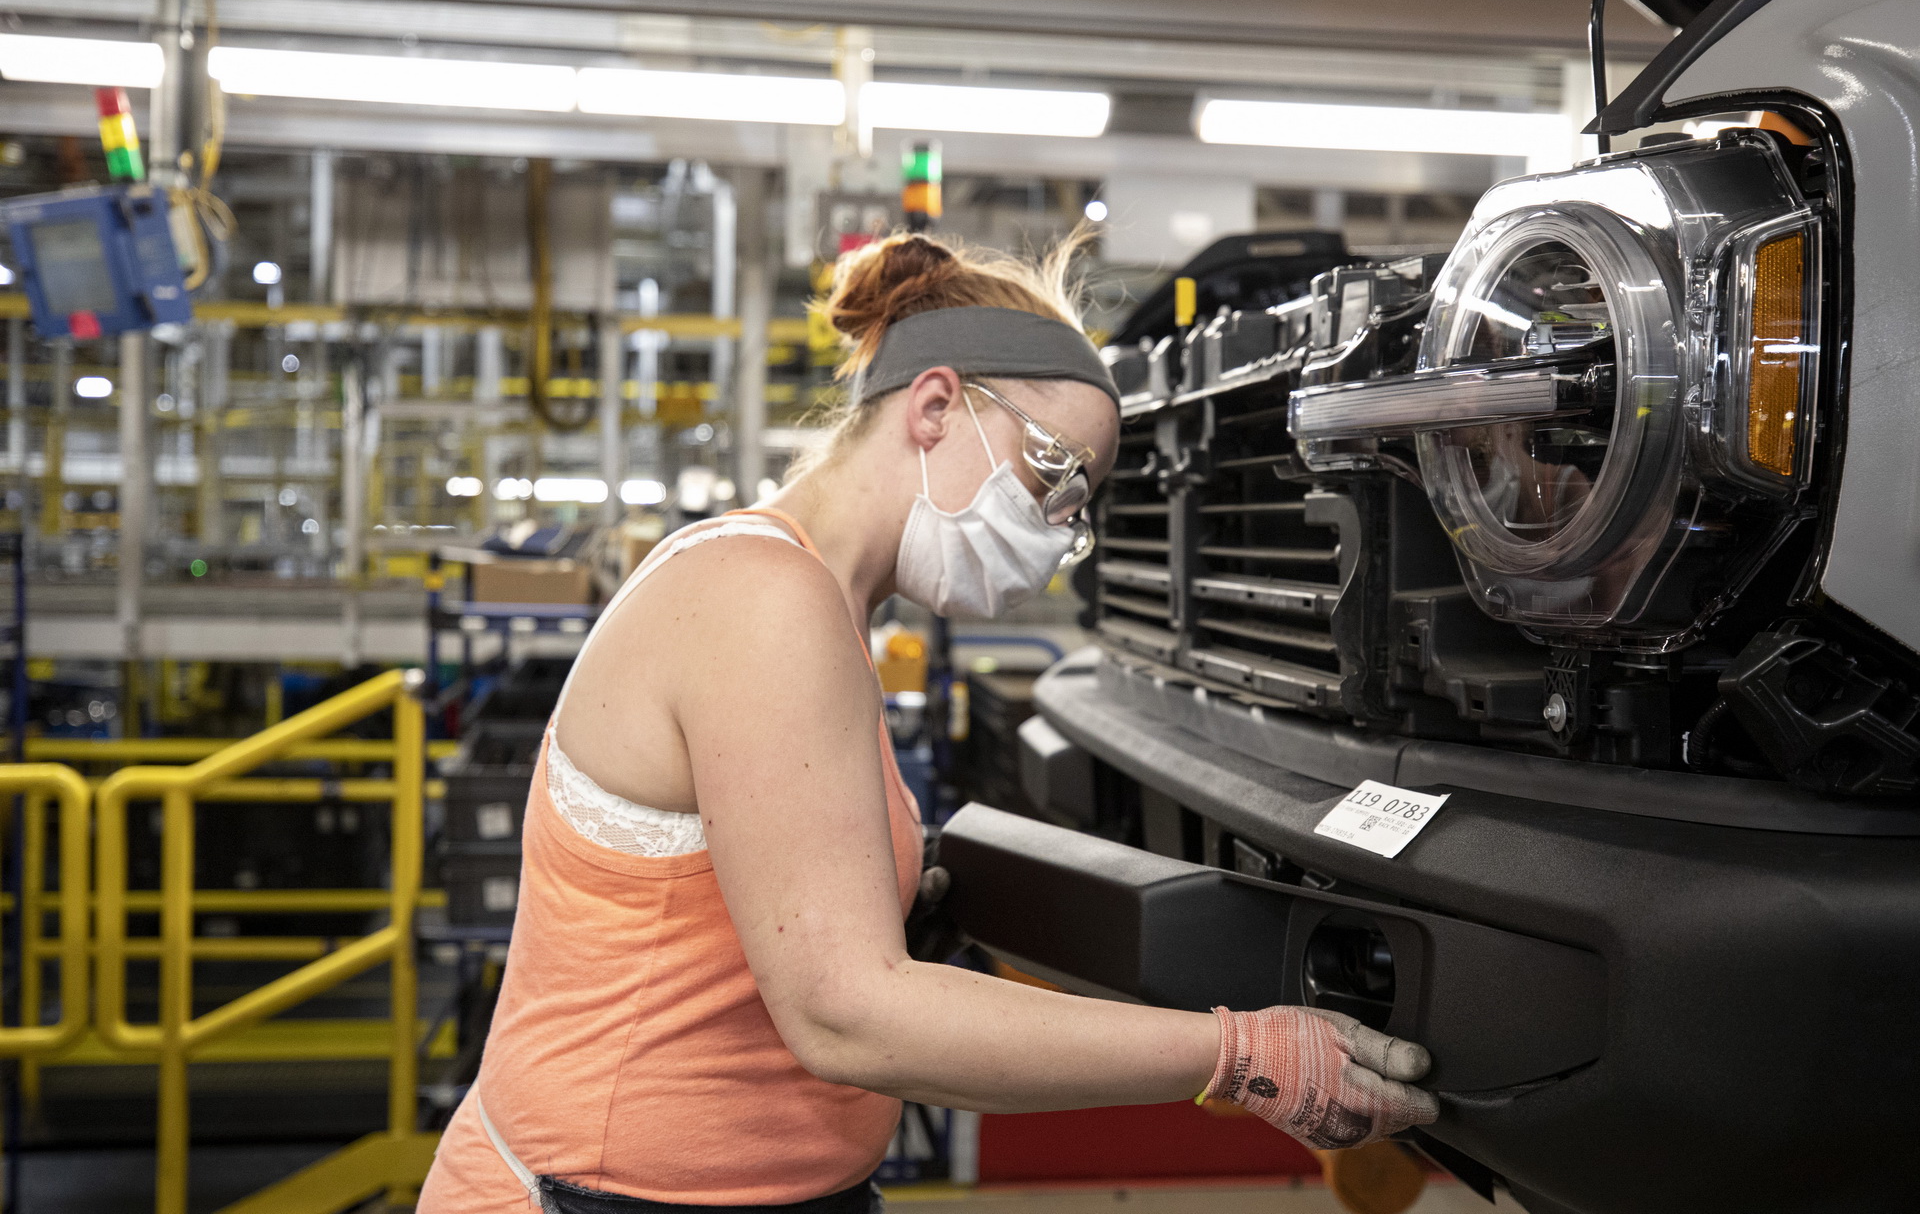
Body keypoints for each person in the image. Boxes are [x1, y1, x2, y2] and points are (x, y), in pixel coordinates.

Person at [418, 233, 1437, 1214]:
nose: (1061, 527)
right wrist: (1237, 1054)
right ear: (937, 404)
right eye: (1056, 474)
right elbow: (846, 1012)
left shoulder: (823, 607)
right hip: (598, 1192)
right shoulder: (761, 597)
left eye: (1083, 504)